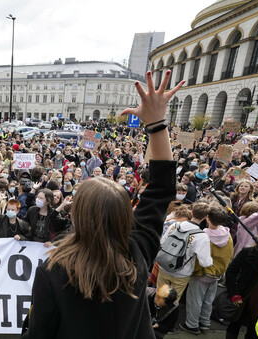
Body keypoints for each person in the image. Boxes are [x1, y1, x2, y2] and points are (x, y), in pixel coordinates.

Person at [21, 70, 183, 338]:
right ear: (124, 214)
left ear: (79, 215)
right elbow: (162, 189)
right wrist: (157, 123)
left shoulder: (54, 270)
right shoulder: (138, 252)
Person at [180, 205, 233, 335]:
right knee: (208, 301)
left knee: (195, 300)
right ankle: (205, 323)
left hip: (201, 273)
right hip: (216, 274)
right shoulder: (227, 235)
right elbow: (229, 255)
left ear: (207, 218)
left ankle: (192, 325)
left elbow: (196, 256)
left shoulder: (203, 235)